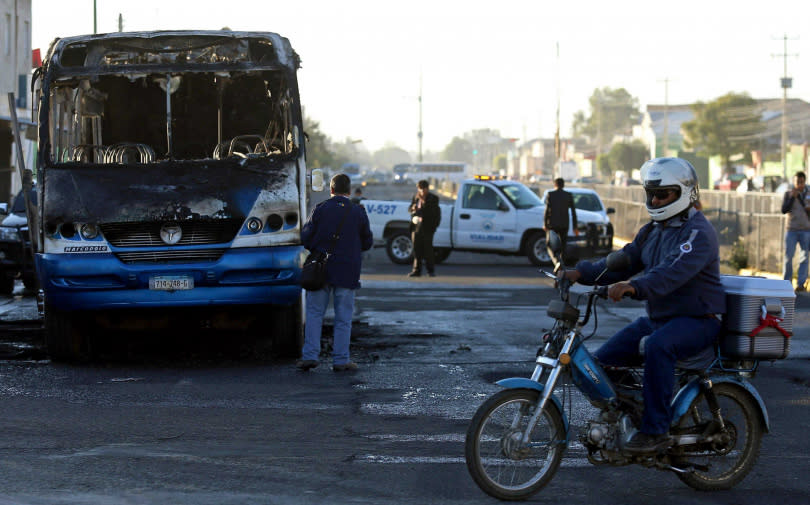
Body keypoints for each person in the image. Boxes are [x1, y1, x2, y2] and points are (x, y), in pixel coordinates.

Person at [561, 157, 726, 453]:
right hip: (661, 319)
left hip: (698, 320)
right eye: (651, 194)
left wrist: (635, 286)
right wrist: (581, 273)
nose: (655, 200)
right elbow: (622, 261)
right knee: (598, 364)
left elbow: (671, 273)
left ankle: (656, 430)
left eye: (663, 194)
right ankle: (634, 409)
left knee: (658, 346)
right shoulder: (652, 230)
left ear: (685, 192)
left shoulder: (698, 234)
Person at [297, 174, 373, 372]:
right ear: (348, 191)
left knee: (314, 314)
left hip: (321, 270)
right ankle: (340, 360)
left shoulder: (320, 209)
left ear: (331, 190)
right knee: (343, 317)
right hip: (347, 271)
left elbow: (305, 238)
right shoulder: (357, 212)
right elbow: (367, 242)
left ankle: (310, 356)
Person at [781, 171, 810, 292]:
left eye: (801, 182)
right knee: (789, 257)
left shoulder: (808, 195)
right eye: (797, 182)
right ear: (794, 182)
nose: (799, 184)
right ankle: (786, 283)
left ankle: (801, 284)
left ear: (804, 182)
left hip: (806, 230)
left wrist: (802, 199)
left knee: (804, 258)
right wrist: (793, 197)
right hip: (791, 229)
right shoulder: (788, 194)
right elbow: (784, 209)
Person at [408, 180, 441, 277]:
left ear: (427, 189)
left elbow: (431, 211)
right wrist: (413, 208)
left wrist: (423, 201)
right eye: (420, 189)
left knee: (428, 250)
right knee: (417, 249)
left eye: (423, 189)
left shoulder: (433, 198)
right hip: (416, 226)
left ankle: (430, 271)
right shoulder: (416, 197)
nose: (421, 191)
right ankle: (416, 270)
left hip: (427, 227)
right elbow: (410, 209)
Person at [544, 178, 578, 272]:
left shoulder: (550, 194)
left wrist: (545, 224)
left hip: (552, 224)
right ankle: (562, 264)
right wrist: (575, 227)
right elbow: (573, 212)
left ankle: (556, 261)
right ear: (563, 185)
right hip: (564, 224)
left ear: (555, 185)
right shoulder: (568, 195)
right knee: (563, 245)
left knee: (549, 244)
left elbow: (547, 211)